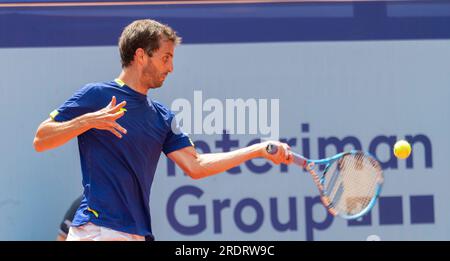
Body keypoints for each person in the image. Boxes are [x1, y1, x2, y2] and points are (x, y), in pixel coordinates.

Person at [33, 19, 293, 241]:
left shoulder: (163, 117)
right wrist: (87, 121)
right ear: (140, 55)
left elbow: (196, 165)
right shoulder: (96, 95)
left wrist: (258, 150)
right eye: (165, 58)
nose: (171, 68)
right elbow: (41, 138)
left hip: (135, 233)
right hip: (96, 229)